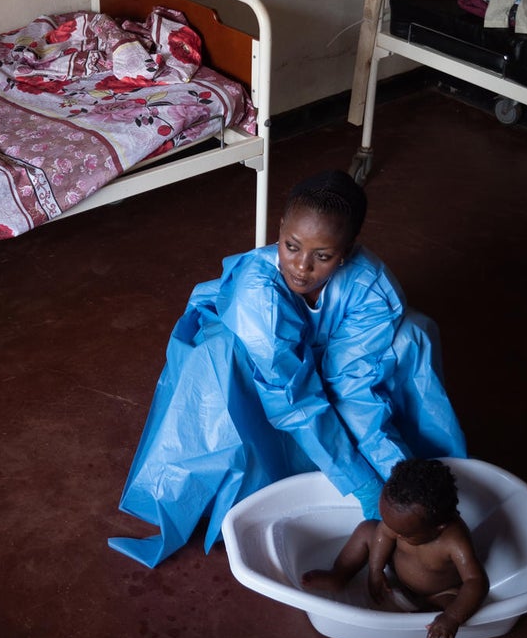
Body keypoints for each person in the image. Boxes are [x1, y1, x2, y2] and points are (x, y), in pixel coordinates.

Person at [108, 170, 467, 567]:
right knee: (220, 356)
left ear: (348, 252)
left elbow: (354, 390)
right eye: (291, 245)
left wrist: (397, 483)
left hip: (323, 356)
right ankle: (238, 489)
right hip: (258, 355)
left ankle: (420, 472)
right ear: (279, 229)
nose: (301, 266)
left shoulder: (370, 287)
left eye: (323, 256)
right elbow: (291, 395)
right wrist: (361, 482)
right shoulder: (257, 290)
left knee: (412, 336)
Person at [301, 458, 489, 638]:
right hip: (397, 570)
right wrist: (375, 569)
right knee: (367, 530)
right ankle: (339, 574)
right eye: (390, 524)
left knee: (452, 610)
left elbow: (476, 581)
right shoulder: (400, 522)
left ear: (438, 527)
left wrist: (452, 618)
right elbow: (382, 534)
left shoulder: (454, 541)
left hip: (438, 593)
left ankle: (417, 620)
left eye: (405, 534)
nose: (393, 532)